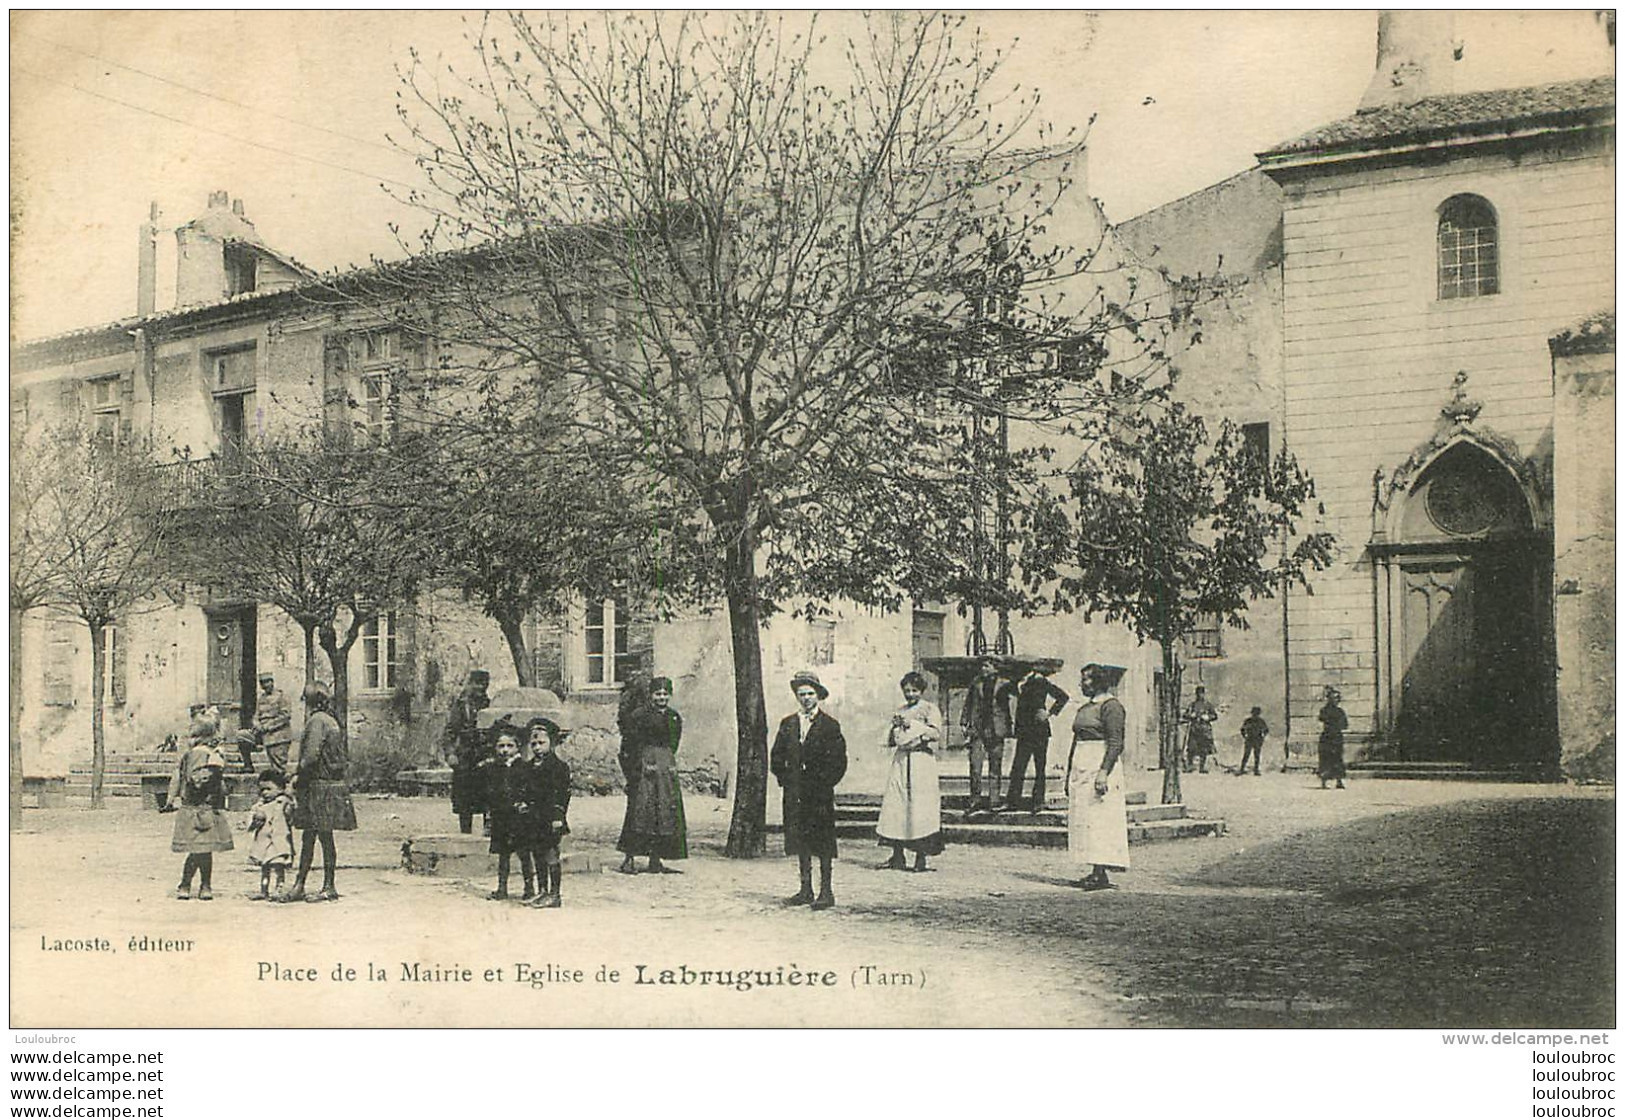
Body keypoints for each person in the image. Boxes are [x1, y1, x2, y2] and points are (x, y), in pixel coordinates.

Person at [770, 670, 848, 910]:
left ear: (818, 696)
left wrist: (825, 782)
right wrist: (786, 779)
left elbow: (839, 761)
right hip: (795, 793)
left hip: (819, 794)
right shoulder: (788, 723)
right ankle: (805, 889)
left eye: (810, 694)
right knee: (800, 839)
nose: (805, 698)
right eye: (801, 694)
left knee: (823, 841)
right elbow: (776, 756)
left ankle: (826, 891)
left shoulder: (830, 725)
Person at [279, 680, 357, 903]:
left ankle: (325, 886)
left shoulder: (316, 722)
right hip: (329, 785)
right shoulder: (331, 720)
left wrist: (296, 777)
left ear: (310, 702)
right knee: (315, 836)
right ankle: (302, 885)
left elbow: (310, 757)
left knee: (319, 837)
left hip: (319, 786)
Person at [1067, 664, 1130, 891]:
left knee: (1100, 818)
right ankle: (1095, 871)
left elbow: (1115, 742)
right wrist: (1069, 773)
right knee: (1084, 817)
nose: (1082, 684)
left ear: (1098, 681)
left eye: (1086, 680)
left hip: (1100, 764)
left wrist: (1104, 771)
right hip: (1082, 763)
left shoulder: (1112, 707)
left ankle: (1101, 871)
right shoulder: (1085, 708)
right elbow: (1076, 741)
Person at [616, 677, 687, 873]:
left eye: (665, 694)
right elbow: (630, 744)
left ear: (670, 695)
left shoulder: (674, 717)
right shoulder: (640, 716)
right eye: (658, 694)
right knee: (639, 812)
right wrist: (637, 767)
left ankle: (655, 859)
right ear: (651, 695)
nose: (661, 698)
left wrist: (666, 763)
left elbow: (674, 744)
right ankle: (628, 858)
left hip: (665, 770)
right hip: (644, 768)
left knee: (663, 813)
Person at [877, 671, 945, 872]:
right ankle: (897, 856)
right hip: (901, 760)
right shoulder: (900, 710)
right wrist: (894, 728)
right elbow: (890, 739)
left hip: (920, 761)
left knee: (920, 807)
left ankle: (920, 858)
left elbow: (935, 733)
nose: (910, 694)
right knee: (896, 805)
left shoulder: (929, 709)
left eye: (914, 690)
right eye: (907, 691)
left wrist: (913, 727)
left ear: (921, 691)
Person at [164, 715, 234, 901]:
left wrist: (172, 798)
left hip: (201, 806)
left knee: (203, 849)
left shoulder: (200, 753)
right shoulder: (200, 753)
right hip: (199, 806)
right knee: (199, 850)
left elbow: (183, 777)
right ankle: (193, 884)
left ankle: (198, 884)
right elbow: (194, 778)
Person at [1003, 665, 1069, 812]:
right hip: (1024, 732)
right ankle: (1013, 802)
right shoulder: (1018, 682)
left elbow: (1063, 696)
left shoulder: (1040, 681)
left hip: (1039, 731)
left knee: (1040, 767)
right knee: (1018, 767)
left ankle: (1037, 802)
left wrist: (1049, 713)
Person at [525, 717, 572, 909]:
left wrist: (558, 817)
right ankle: (542, 890)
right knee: (537, 853)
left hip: (551, 818)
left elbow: (562, 795)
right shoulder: (528, 767)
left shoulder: (559, 767)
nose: (537, 747)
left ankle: (555, 894)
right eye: (533, 743)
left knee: (551, 854)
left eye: (541, 743)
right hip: (533, 818)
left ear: (551, 743)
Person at [485, 728, 535, 900]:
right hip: (501, 817)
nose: (505, 750)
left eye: (509, 745)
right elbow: (491, 793)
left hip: (519, 818)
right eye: (501, 746)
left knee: (524, 854)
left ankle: (529, 888)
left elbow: (529, 791)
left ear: (517, 747)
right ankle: (502, 888)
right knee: (503, 855)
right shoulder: (494, 768)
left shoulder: (524, 767)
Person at [444, 670, 492, 835]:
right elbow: (450, 731)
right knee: (464, 799)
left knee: (488, 796)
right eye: (477, 683)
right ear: (470, 684)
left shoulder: (490, 705)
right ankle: (465, 833)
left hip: (484, 756)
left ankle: (489, 832)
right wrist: (450, 753)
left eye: (483, 684)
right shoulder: (461, 705)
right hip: (464, 757)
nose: (480, 688)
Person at [961, 658, 1009, 811]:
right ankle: (975, 799)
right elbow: (968, 704)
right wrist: (964, 723)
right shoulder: (976, 683)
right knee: (975, 766)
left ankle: (994, 800)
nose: (983, 668)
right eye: (982, 665)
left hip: (996, 729)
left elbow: (1011, 706)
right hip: (978, 729)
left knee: (995, 767)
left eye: (987, 665)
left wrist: (1009, 726)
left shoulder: (1005, 684)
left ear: (995, 668)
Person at [246, 769, 294, 899]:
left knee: (279, 866)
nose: (265, 793)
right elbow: (250, 825)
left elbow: (291, 817)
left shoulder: (283, 802)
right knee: (265, 868)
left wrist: (288, 808)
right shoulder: (258, 806)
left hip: (278, 840)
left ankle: (279, 888)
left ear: (280, 788)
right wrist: (255, 820)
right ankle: (264, 890)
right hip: (263, 842)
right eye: (262, 790)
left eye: (269, 789)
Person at [253, 672, 294, 775]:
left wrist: (268, 726)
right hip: (267, 738)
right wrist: (257, 724)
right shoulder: (261, 698)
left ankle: (281, 787)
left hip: (279, 737)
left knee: (280, 766)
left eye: (267, 682)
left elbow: (285, 716)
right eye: (262, 683)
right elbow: (257, 715)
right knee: (273, 766)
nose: (265, 685)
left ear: (272, 682)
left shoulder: (282, 696)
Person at [1318, 686, 1348, 790]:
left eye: (1337, 698)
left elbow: (1345, 725)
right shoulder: (1324, 710)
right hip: (1327, 737)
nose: (1335, 700)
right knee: (1325, 758)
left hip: (1337, 737)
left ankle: (1339, 781)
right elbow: (1321, 720)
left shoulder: (1340, 711)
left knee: (1338, 759)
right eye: (1333, 698)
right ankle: (1324, 782)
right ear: (1329, 699)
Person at [1183, 685, 1219, 773]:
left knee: (1204, 749)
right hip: (1194, 729)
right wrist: (1190, 716)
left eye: (1202, 693)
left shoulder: (1208, 705)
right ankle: (1190, 765)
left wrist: (1208, 717)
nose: (1200, 695)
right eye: (1198, 694)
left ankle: (1202, 767)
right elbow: (1185, 715)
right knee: (1191, 747)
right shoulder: (1192, 705)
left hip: (1204, 729)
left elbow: (1214, 716)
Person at [1238, 707, 1270, 777]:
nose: (1255, 715)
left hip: (1257, 739)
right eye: (1254, 713)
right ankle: (1242, 769)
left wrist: (1262, 736)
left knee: (1256, 755)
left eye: (1256, 713)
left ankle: (1256, 769)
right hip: (1250, 739)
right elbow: (1242, 729)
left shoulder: (1261, 721)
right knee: (1246, 754)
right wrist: (1245, 736)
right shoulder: (1248, 721)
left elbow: (1266, 730)